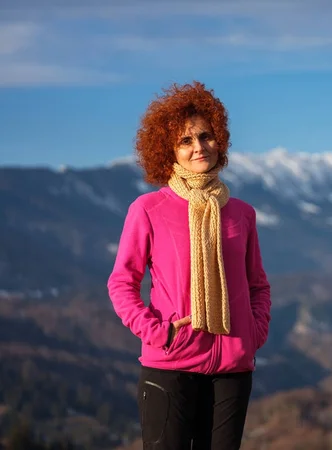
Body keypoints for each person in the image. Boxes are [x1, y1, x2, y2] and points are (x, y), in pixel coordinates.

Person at [107, 81, 271, 450]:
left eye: (206, 136)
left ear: (220, 140)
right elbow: (121, 283)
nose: (199, 146)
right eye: (185, 140)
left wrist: (253, 332)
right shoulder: (148, 209)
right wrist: (157, 332)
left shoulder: (242, 213)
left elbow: (258, 284)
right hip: (170, 367)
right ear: (169, 150)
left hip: (233, 370)